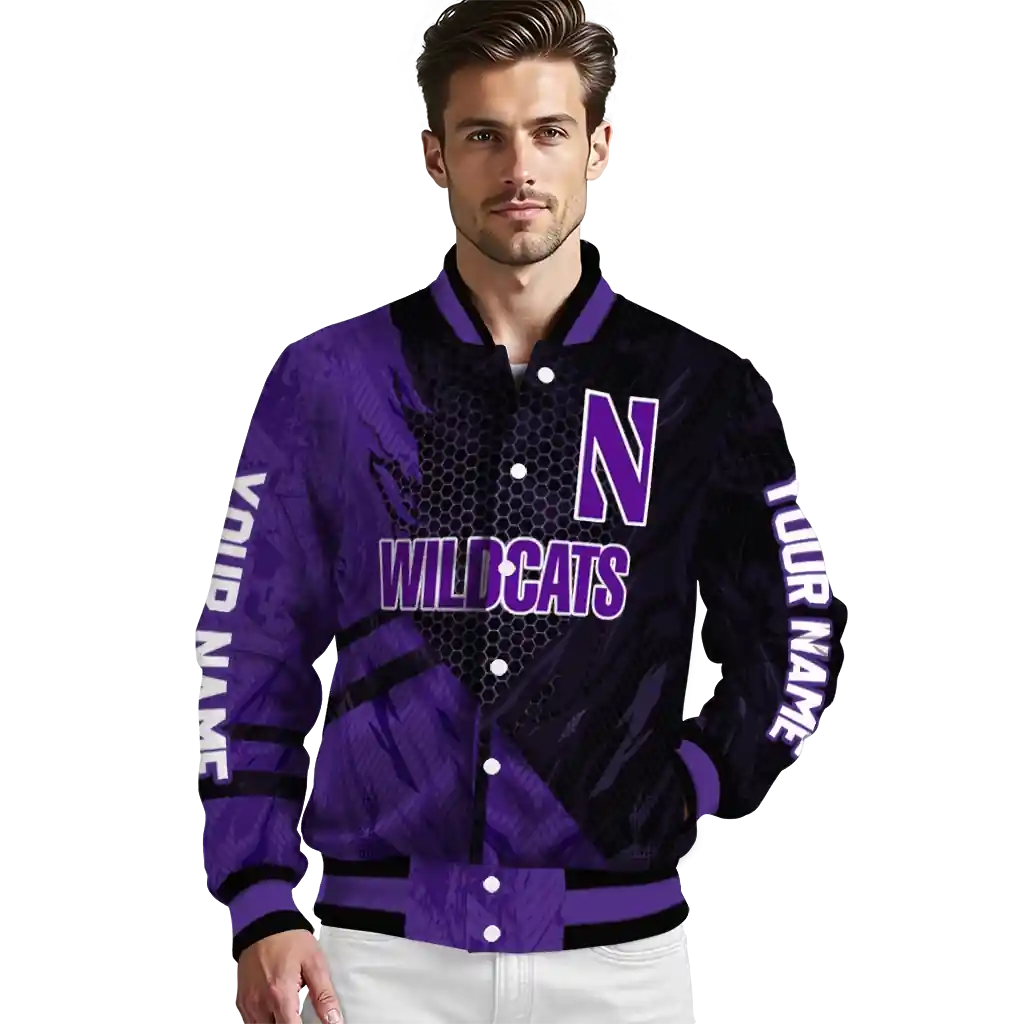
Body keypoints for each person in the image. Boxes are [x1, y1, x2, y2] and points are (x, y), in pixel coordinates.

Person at [193, 0, 849, 1021]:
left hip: (620, 964)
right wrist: (259, 899)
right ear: (434, 156)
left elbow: (796, 627)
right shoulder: (330, 381)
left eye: (548, 132)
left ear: (599, 146)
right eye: (483, 135)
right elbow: (248, 645)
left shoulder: (701, 392)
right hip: (374, 964)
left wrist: (697, 778)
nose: (518, 168)